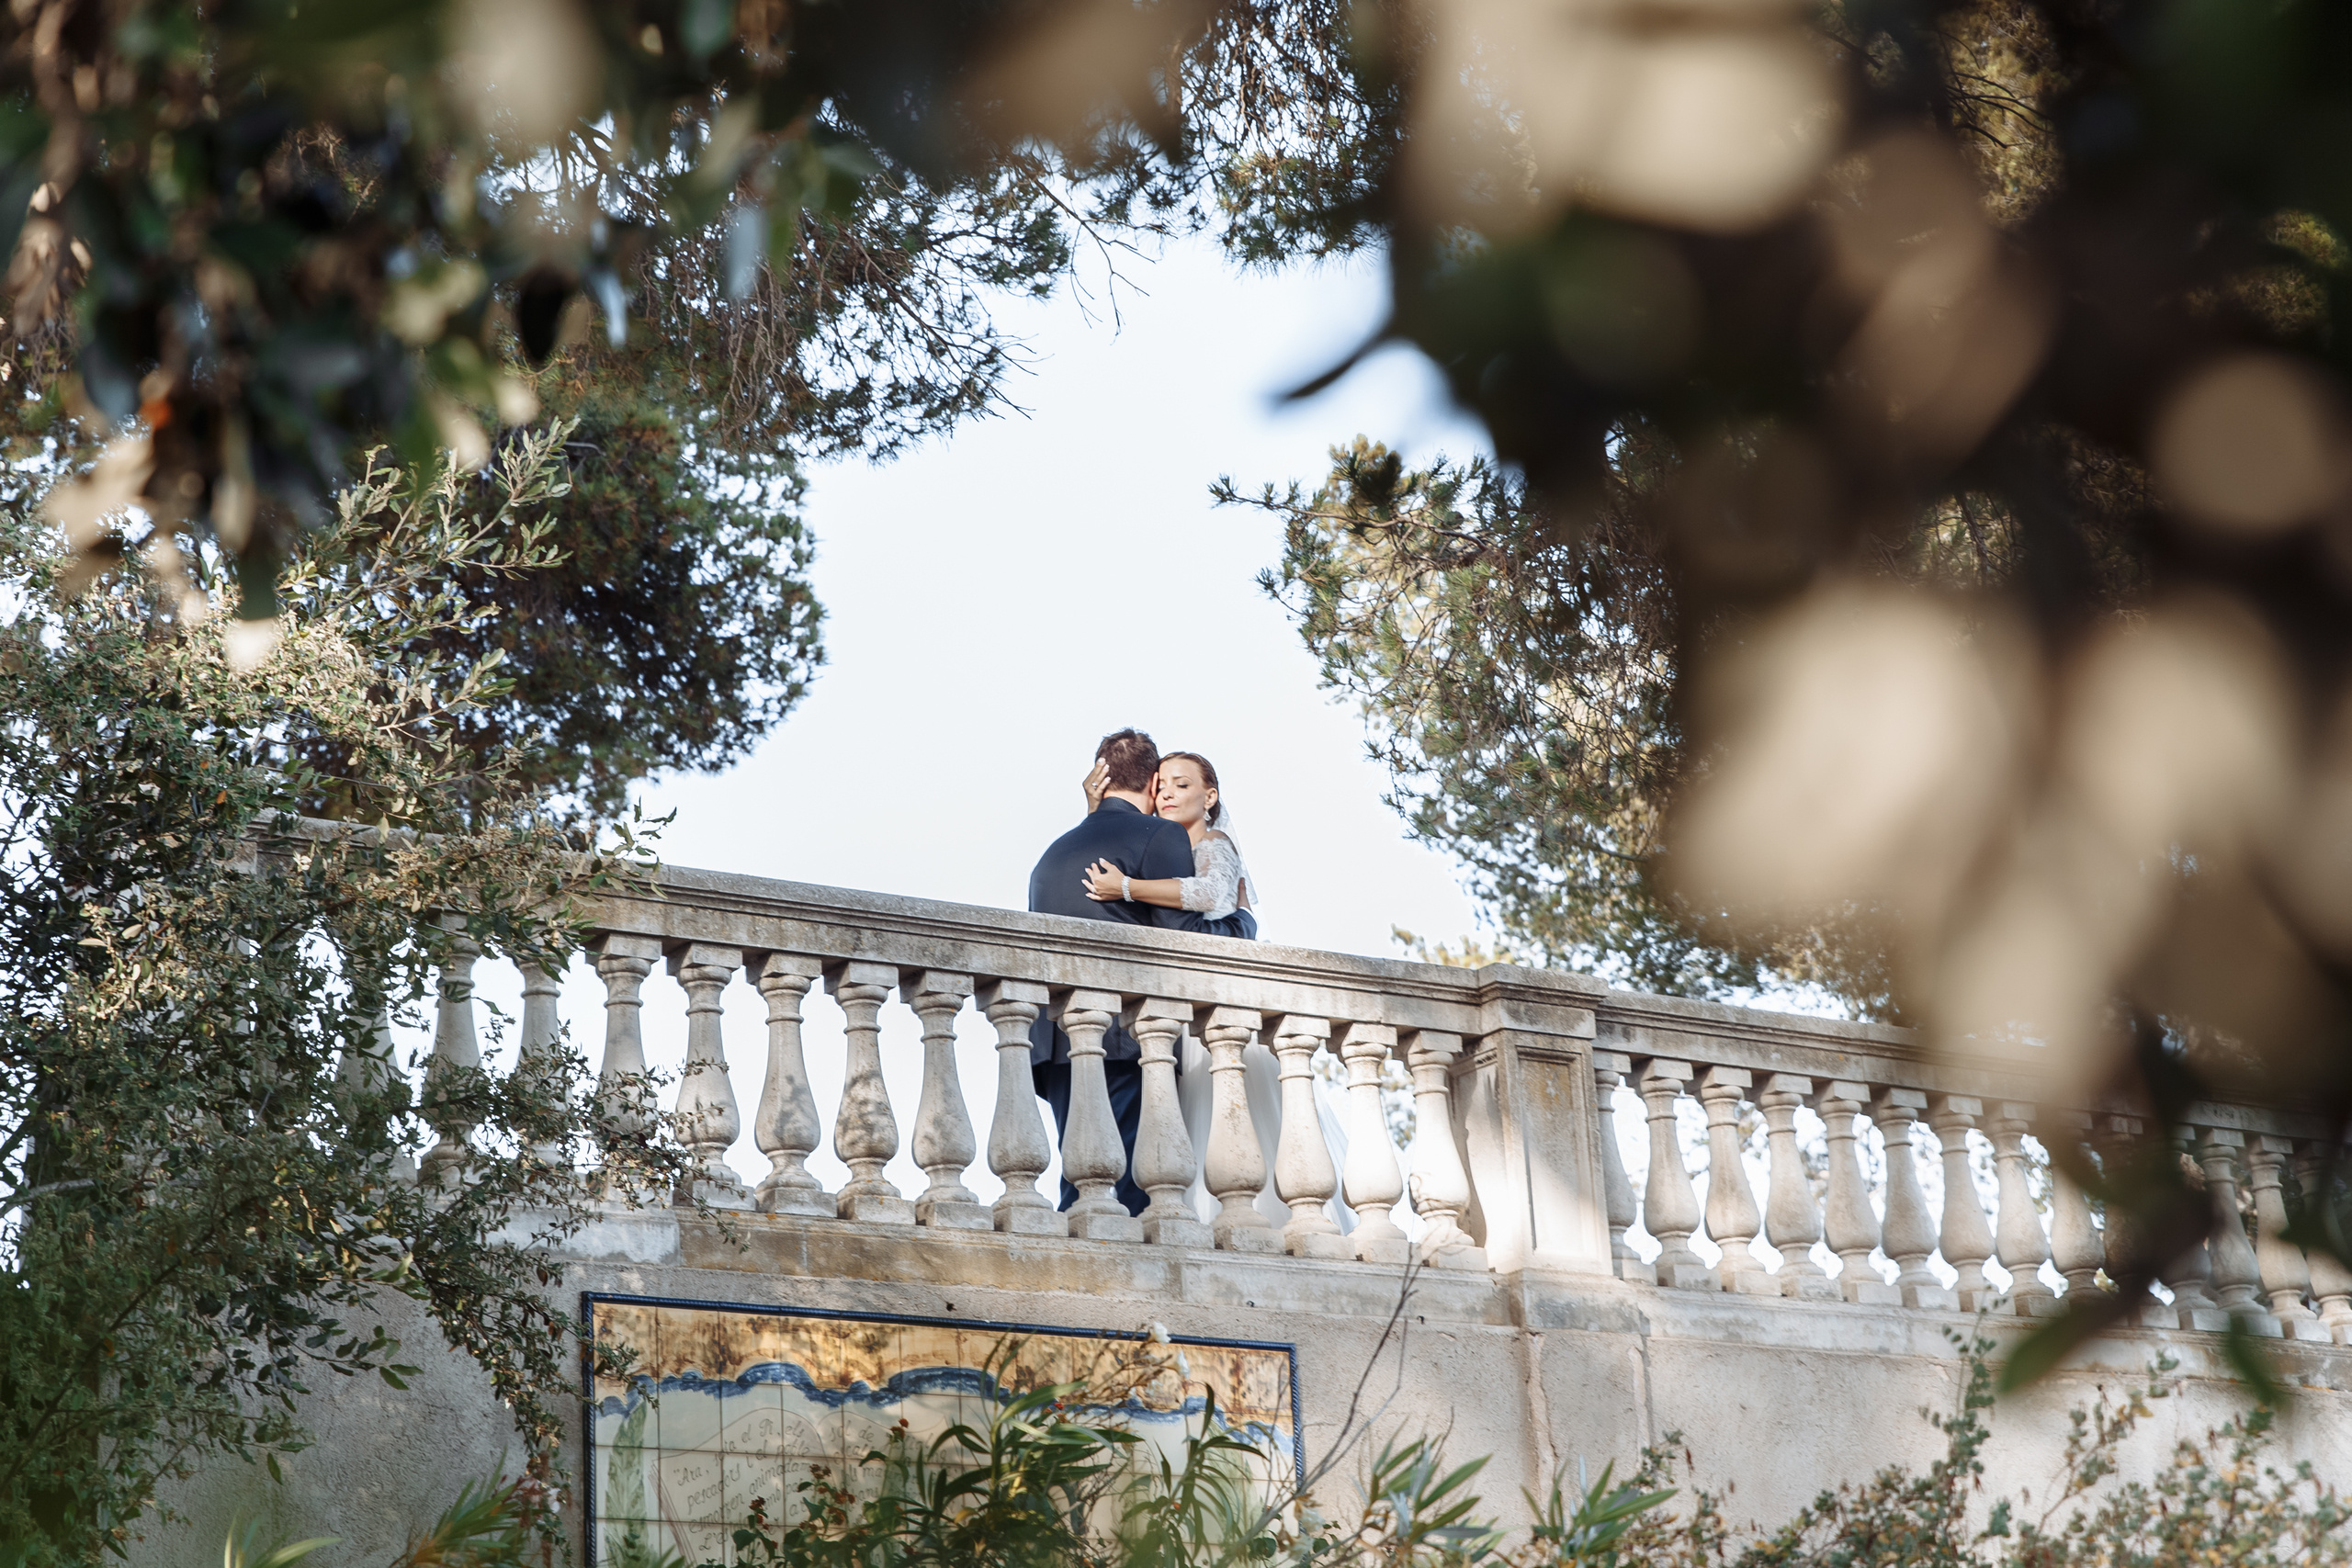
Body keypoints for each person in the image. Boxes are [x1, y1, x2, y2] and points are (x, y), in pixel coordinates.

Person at [1025, 728, 1210, 1214]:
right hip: (1124, 1039)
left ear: (1100, 779)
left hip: (1055, 1041)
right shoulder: (1162, 835)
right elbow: (1186, 940)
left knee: (1083, 1183)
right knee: (1127, 1189)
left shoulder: (1052, 855)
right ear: (1153, 783)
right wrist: (1242, 920)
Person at [1080, 750, 1259, 941]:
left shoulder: (1214, 839)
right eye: (1160, 787)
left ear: (1210, 797)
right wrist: (1095, 811)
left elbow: (1208, 893)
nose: (1167, 794)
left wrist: (1126, 887)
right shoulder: (1158, 850)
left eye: (1181, 785)